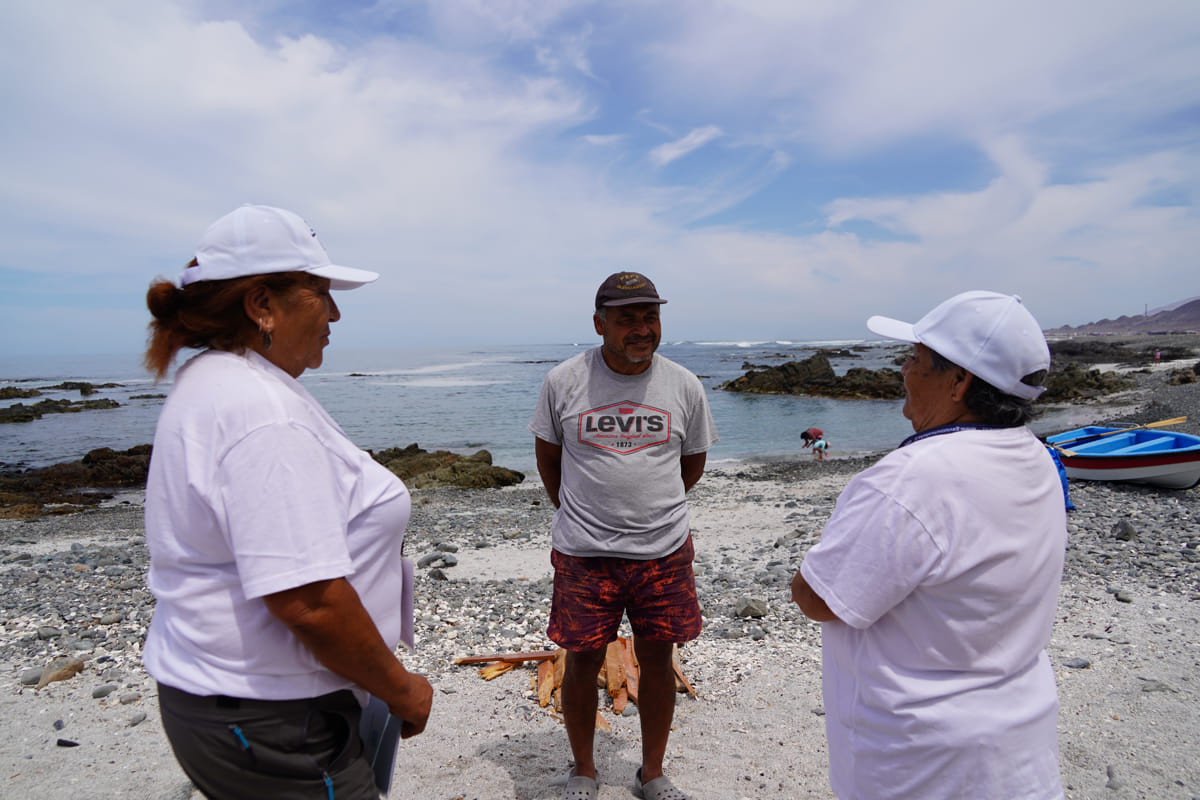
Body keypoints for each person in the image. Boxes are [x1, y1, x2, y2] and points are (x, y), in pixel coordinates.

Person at [142, 204, 433, 799]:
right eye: (320, 292)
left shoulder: (217, 380)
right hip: (274, 722)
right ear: (262, 306)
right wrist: (401, 688)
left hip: (235, 705)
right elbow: (307, 602)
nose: (335, 312)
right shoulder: (262, 413)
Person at [791, 290, 1067, 800]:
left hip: (922, 766)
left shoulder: (913, 479)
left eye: (915, 357)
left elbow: (818, 598)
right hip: (1019, 749)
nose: (902, 368)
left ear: (959, 381)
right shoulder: (1036, 459)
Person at [529, 272, 718, 800]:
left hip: (664, 552)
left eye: (650, 316)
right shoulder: (564, 382)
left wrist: (649, 511)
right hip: (584, 555)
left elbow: (692, 464)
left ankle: (652, 772)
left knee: (660, 660)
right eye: (627, 317)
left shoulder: (683, 385)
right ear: (599, 323)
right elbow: (549, 459)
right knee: (582, 659)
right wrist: (581, 511)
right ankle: (584, 770)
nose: (642, 328)